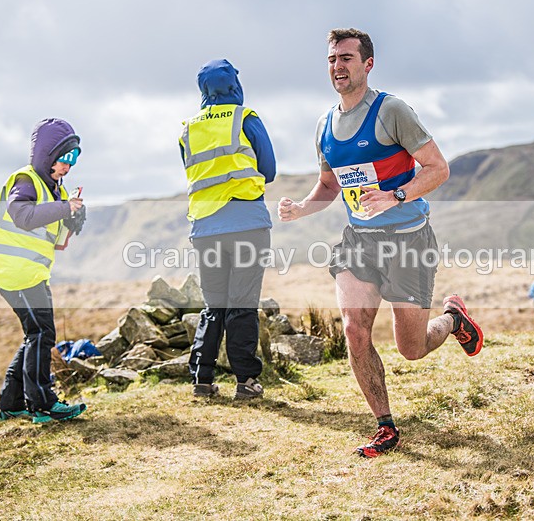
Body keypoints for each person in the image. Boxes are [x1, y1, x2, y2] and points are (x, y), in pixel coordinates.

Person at [278, 28, 484, 457]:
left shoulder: (391, 111)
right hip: (359, 242)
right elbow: (329, 187)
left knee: (411, 348)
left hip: (409, 240)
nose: (338, 66)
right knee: (355, 329)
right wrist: (300, 208)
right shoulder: (324, 126)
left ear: (367, 65)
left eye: (347, 58)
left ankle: (453, 319)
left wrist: (395, 196)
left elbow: (438, 168)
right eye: (332, 58)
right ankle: (385, 426)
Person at [0, 118, 88, 424]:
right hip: (13, 273)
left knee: (35, 334)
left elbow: (56, 243)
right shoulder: (25, 180)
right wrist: (66, 209)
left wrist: (72, 223)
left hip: (29, 273)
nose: (67, 167)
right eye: (63, 159)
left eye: (73, 160)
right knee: (42, 332)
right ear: (45, 156)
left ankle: (11, 404)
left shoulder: (53, 189)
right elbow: (23, 216)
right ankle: (43, 404)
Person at [180, 59, 276, 400]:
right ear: (234, 84)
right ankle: (246, 382)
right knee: (242, 304)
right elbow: (269, 168)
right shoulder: (245, 119)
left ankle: (202, 381)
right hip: (247, 224)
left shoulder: (187, 129)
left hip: (205, 228)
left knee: (214, 305)